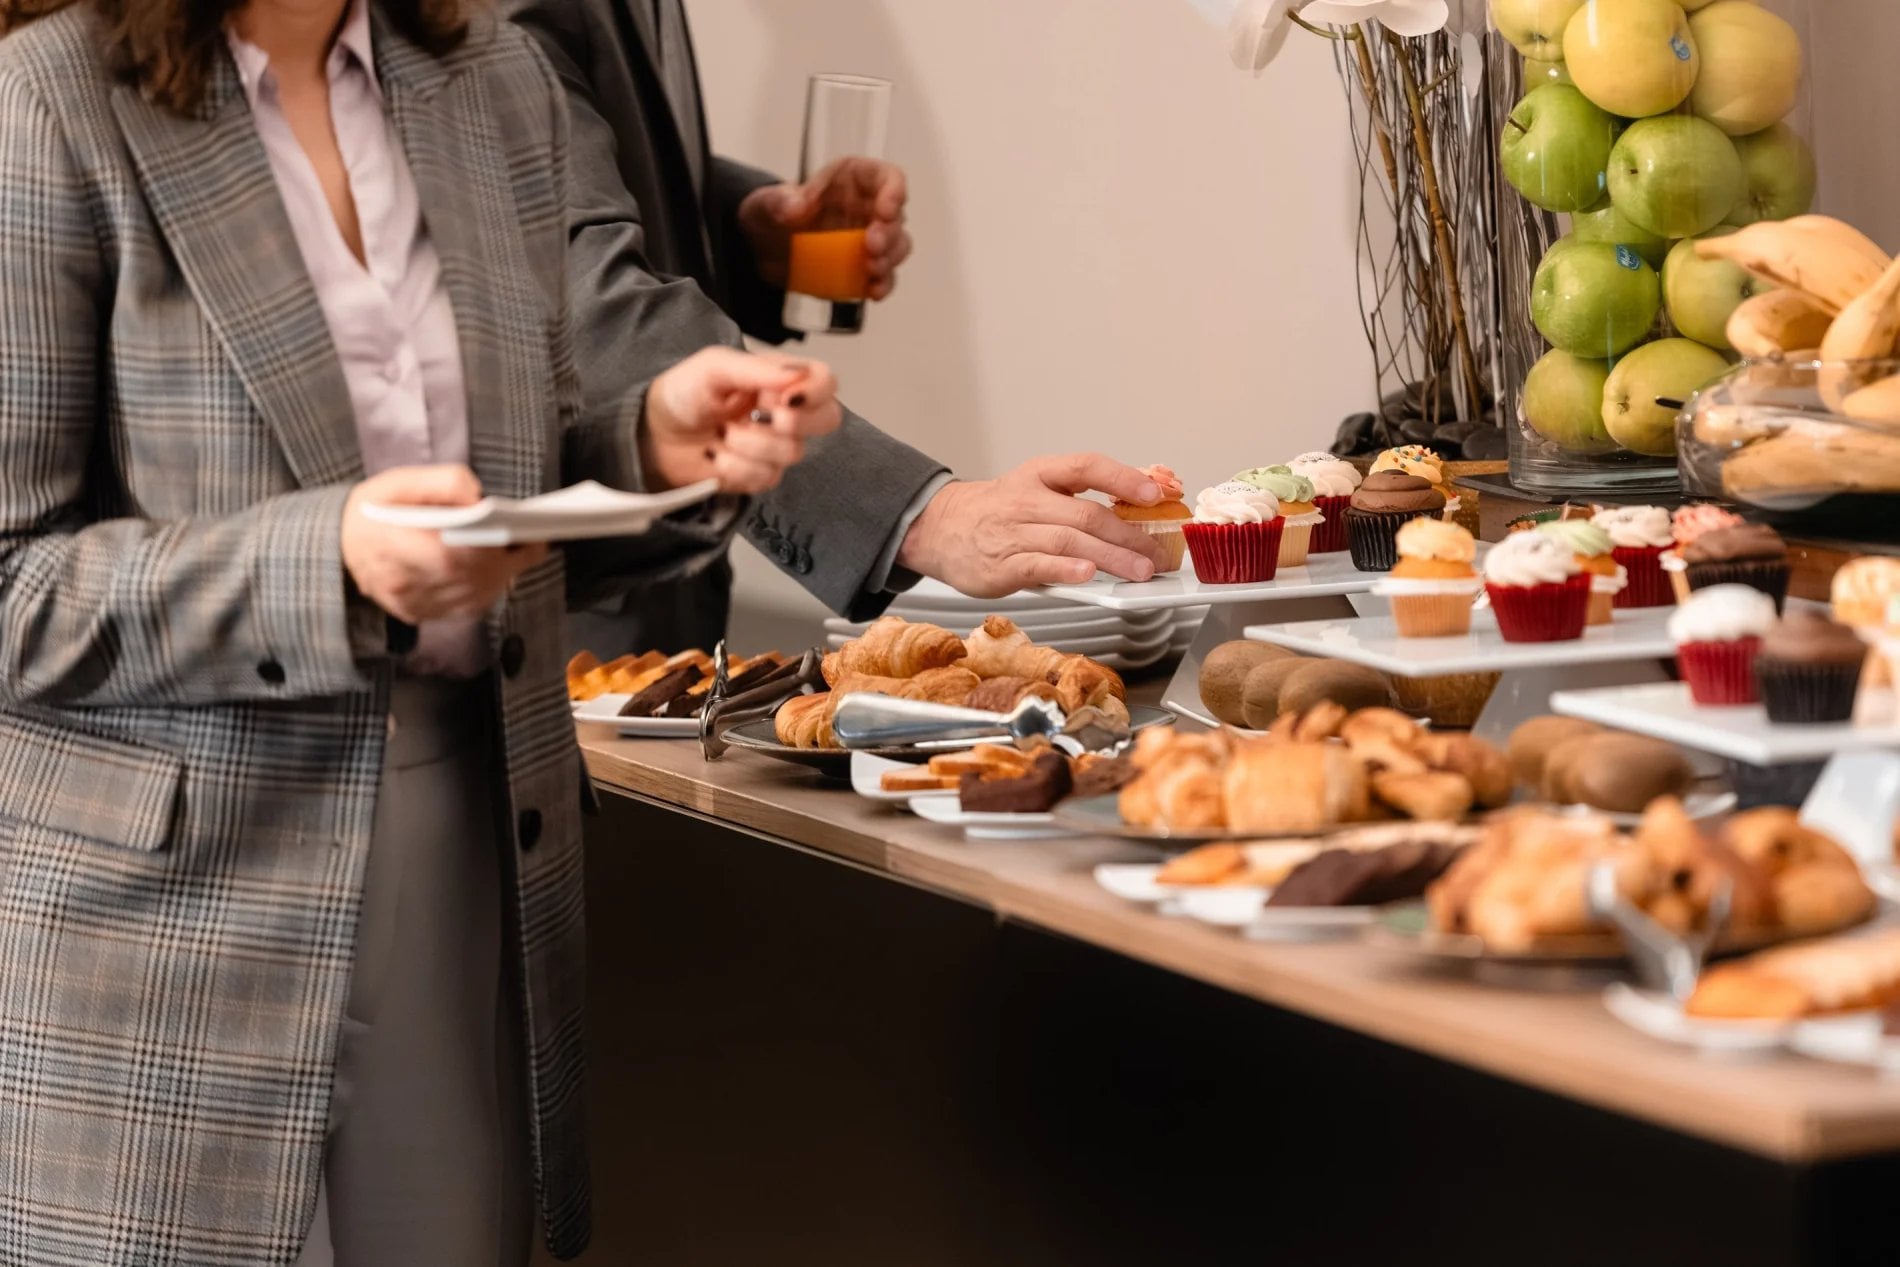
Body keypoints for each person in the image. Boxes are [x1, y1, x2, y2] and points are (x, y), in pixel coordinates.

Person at [0, 0, 836, 1261]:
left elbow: (503, 480)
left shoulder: (493, 80)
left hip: (468, 844)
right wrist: (324, 561)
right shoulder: (45, 103)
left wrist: (650, 448)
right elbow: (14, 584)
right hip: (164, 927)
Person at [511, 0, 1173, 655]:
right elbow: (585, 303)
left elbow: (575, 168)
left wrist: (743, 233)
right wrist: (925, 517)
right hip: (557, 633)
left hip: (668, 600)